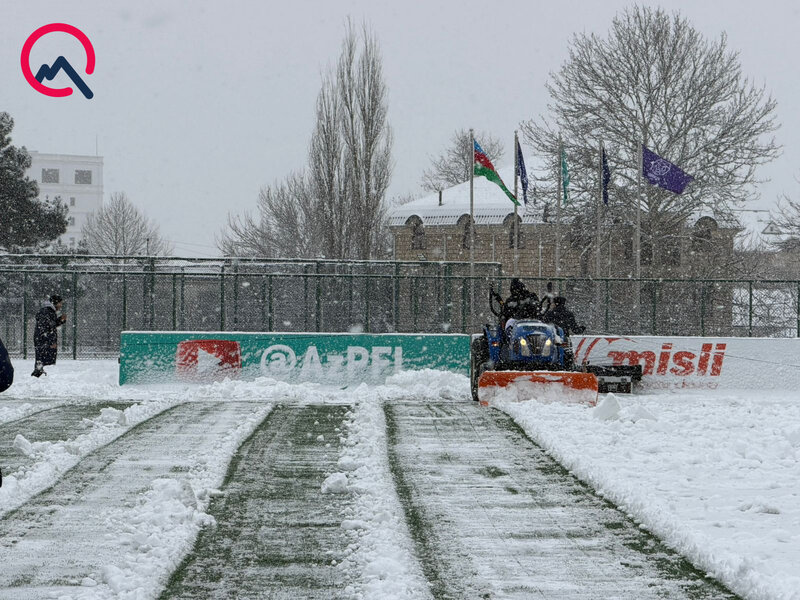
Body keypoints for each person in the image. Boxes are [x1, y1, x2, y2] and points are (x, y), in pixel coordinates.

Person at [32, 294, 67, 377]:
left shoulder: (49, 311)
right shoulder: (47, 311)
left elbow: (50, 325)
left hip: (43, 338)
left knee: (43, 359)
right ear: (55, 302)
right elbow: (48, 327)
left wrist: (60, 320)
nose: (61, 305)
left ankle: (39, 374)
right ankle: (39, 375)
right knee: (44, 359)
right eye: (60, 303)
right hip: (44, 339)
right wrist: (51, 341)